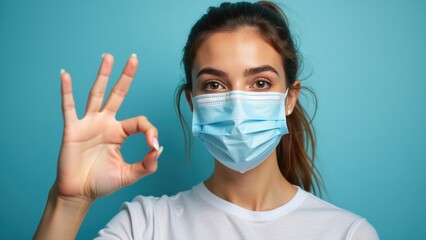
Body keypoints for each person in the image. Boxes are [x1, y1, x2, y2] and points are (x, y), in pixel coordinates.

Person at [34, 1, 379, 239]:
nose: (237, 104)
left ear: (289, 98)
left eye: (260, 83)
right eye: (214, 84)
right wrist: (67, 203)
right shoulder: (146, 225)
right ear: (193, 101)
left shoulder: (347, 234)